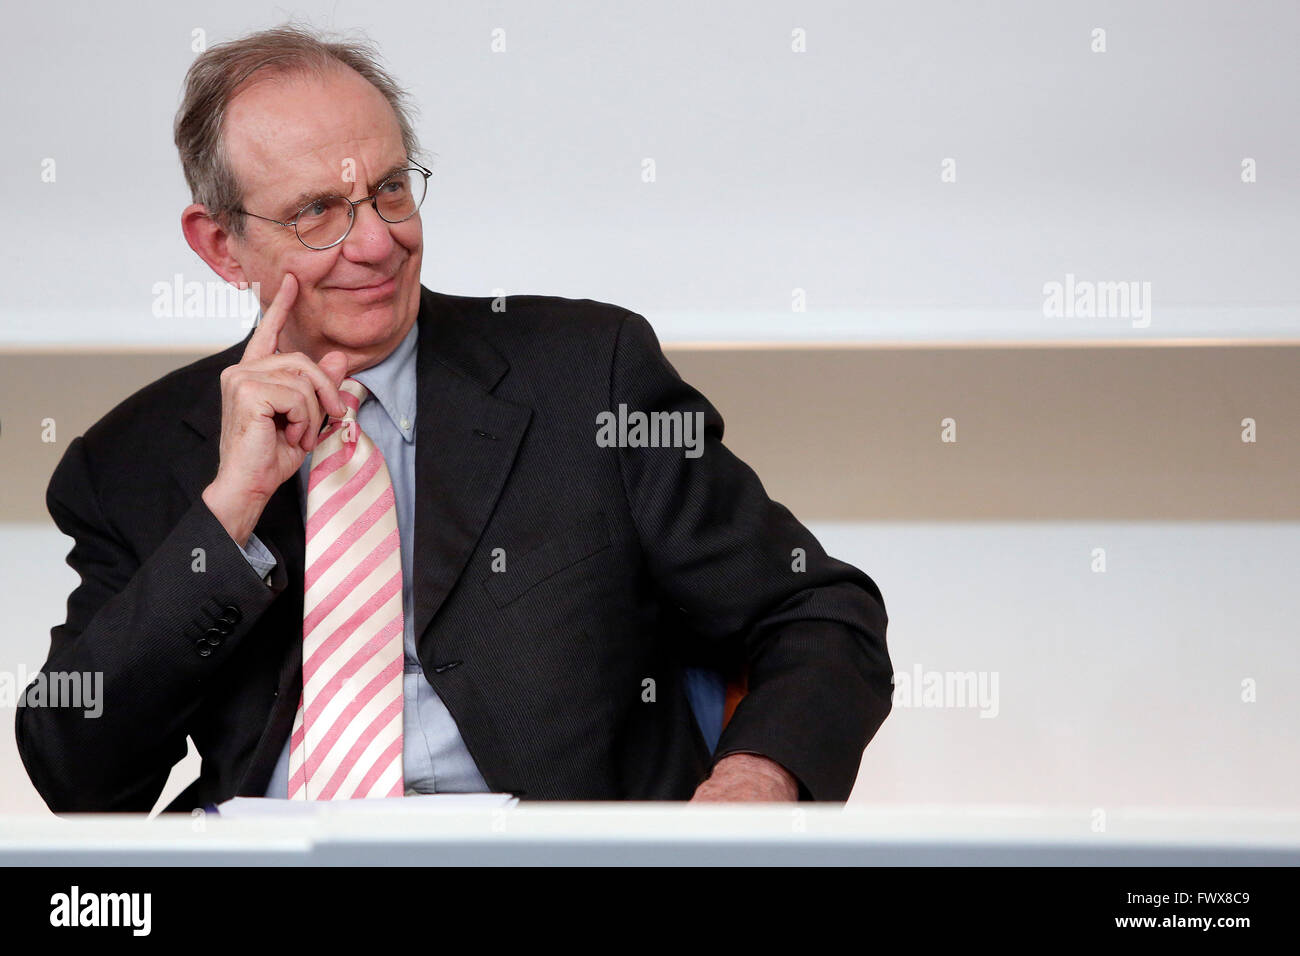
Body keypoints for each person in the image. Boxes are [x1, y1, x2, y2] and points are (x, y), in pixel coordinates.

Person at [15, 25, 892, 811]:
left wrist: (753, 781)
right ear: (219, 245)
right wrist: (228, 512)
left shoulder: (588, 375)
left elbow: (820, 609)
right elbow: (75, 769)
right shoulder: (132, 460)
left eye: (390, 190)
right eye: (317, 212)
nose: (374, 242)